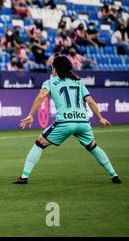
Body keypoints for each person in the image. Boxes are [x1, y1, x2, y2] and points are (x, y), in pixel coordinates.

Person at [14, 56, 121, 184]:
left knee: (39, 143)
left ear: (55, 68)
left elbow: (41, 96)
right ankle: (114, 175)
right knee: (93, 146)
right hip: (83, 122)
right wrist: (100, 118)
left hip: (65, 122)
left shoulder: (50, 82)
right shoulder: (79, 82)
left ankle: (24, 177)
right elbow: (90, 101)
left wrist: (31, 115)